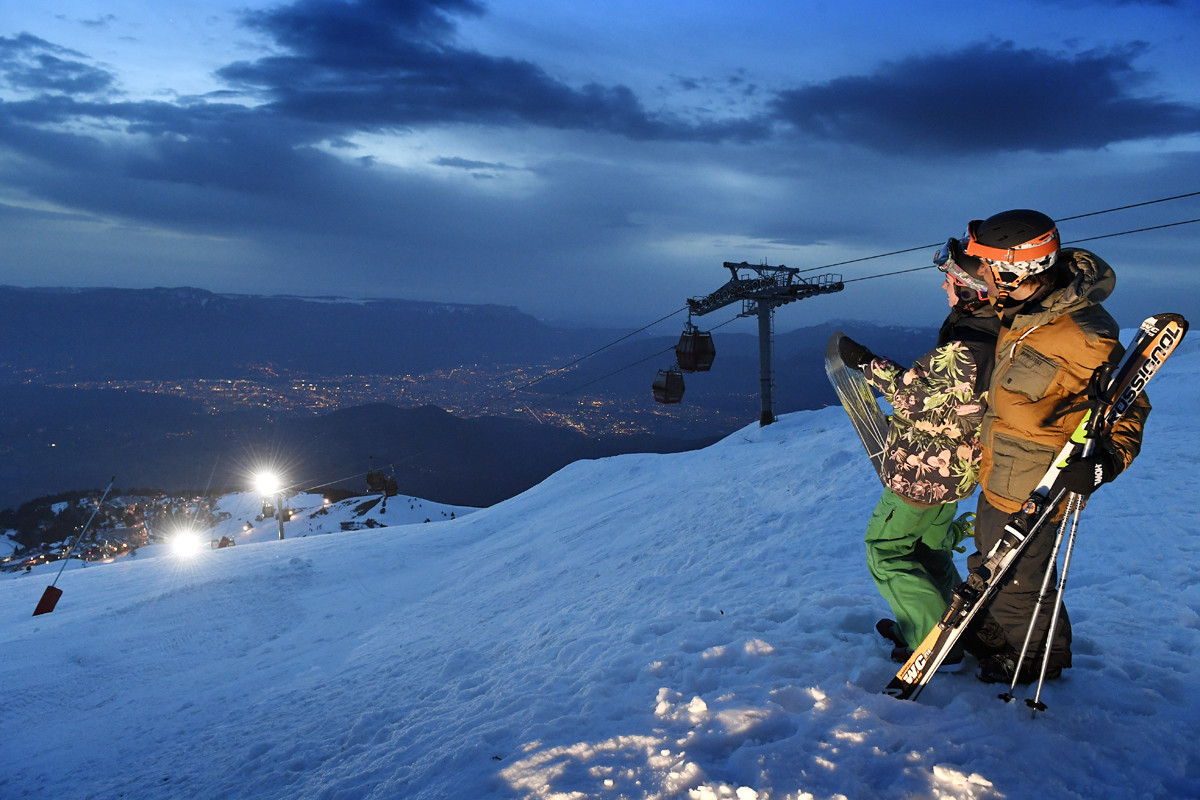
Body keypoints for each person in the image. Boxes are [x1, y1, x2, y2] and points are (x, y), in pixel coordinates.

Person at [959, 208, 1150, 685]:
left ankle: (1026, 662)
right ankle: (1050, 648)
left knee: (1016, 583)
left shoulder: (1085, 335)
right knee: (999, 566)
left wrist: (1103, 465)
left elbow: (1129, 408)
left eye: (985, 264)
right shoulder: (1025, 312)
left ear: (1013, 269)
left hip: (1041, 484)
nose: (978, 272)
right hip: (1000, 471)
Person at [838, 248, 1000, 668]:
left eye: (950, 279)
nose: (944, 284)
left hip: (922, 473)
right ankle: (932, 625)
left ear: (970, 290)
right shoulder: (995, 333)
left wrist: (863, 361)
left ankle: (929, 639)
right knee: (930, 554)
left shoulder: (966, 348)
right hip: (954, 474)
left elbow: (912, 397)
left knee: (886, 552)